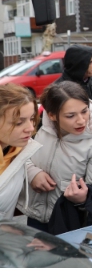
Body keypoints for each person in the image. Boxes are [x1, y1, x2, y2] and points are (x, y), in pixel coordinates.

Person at [17, 81, 92, 233]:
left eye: (84, 111)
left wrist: (82, 199)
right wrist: (32, 173)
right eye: (71, 116)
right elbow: (21, 153)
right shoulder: (40, 126)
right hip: (36, 218)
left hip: (71, 220)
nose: (81, 120)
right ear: (52, 116)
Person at [0, 85, 41, 221]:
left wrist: (32, 172)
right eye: (18, 123)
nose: (30, 128)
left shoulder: (19, 149)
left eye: (32, 118)